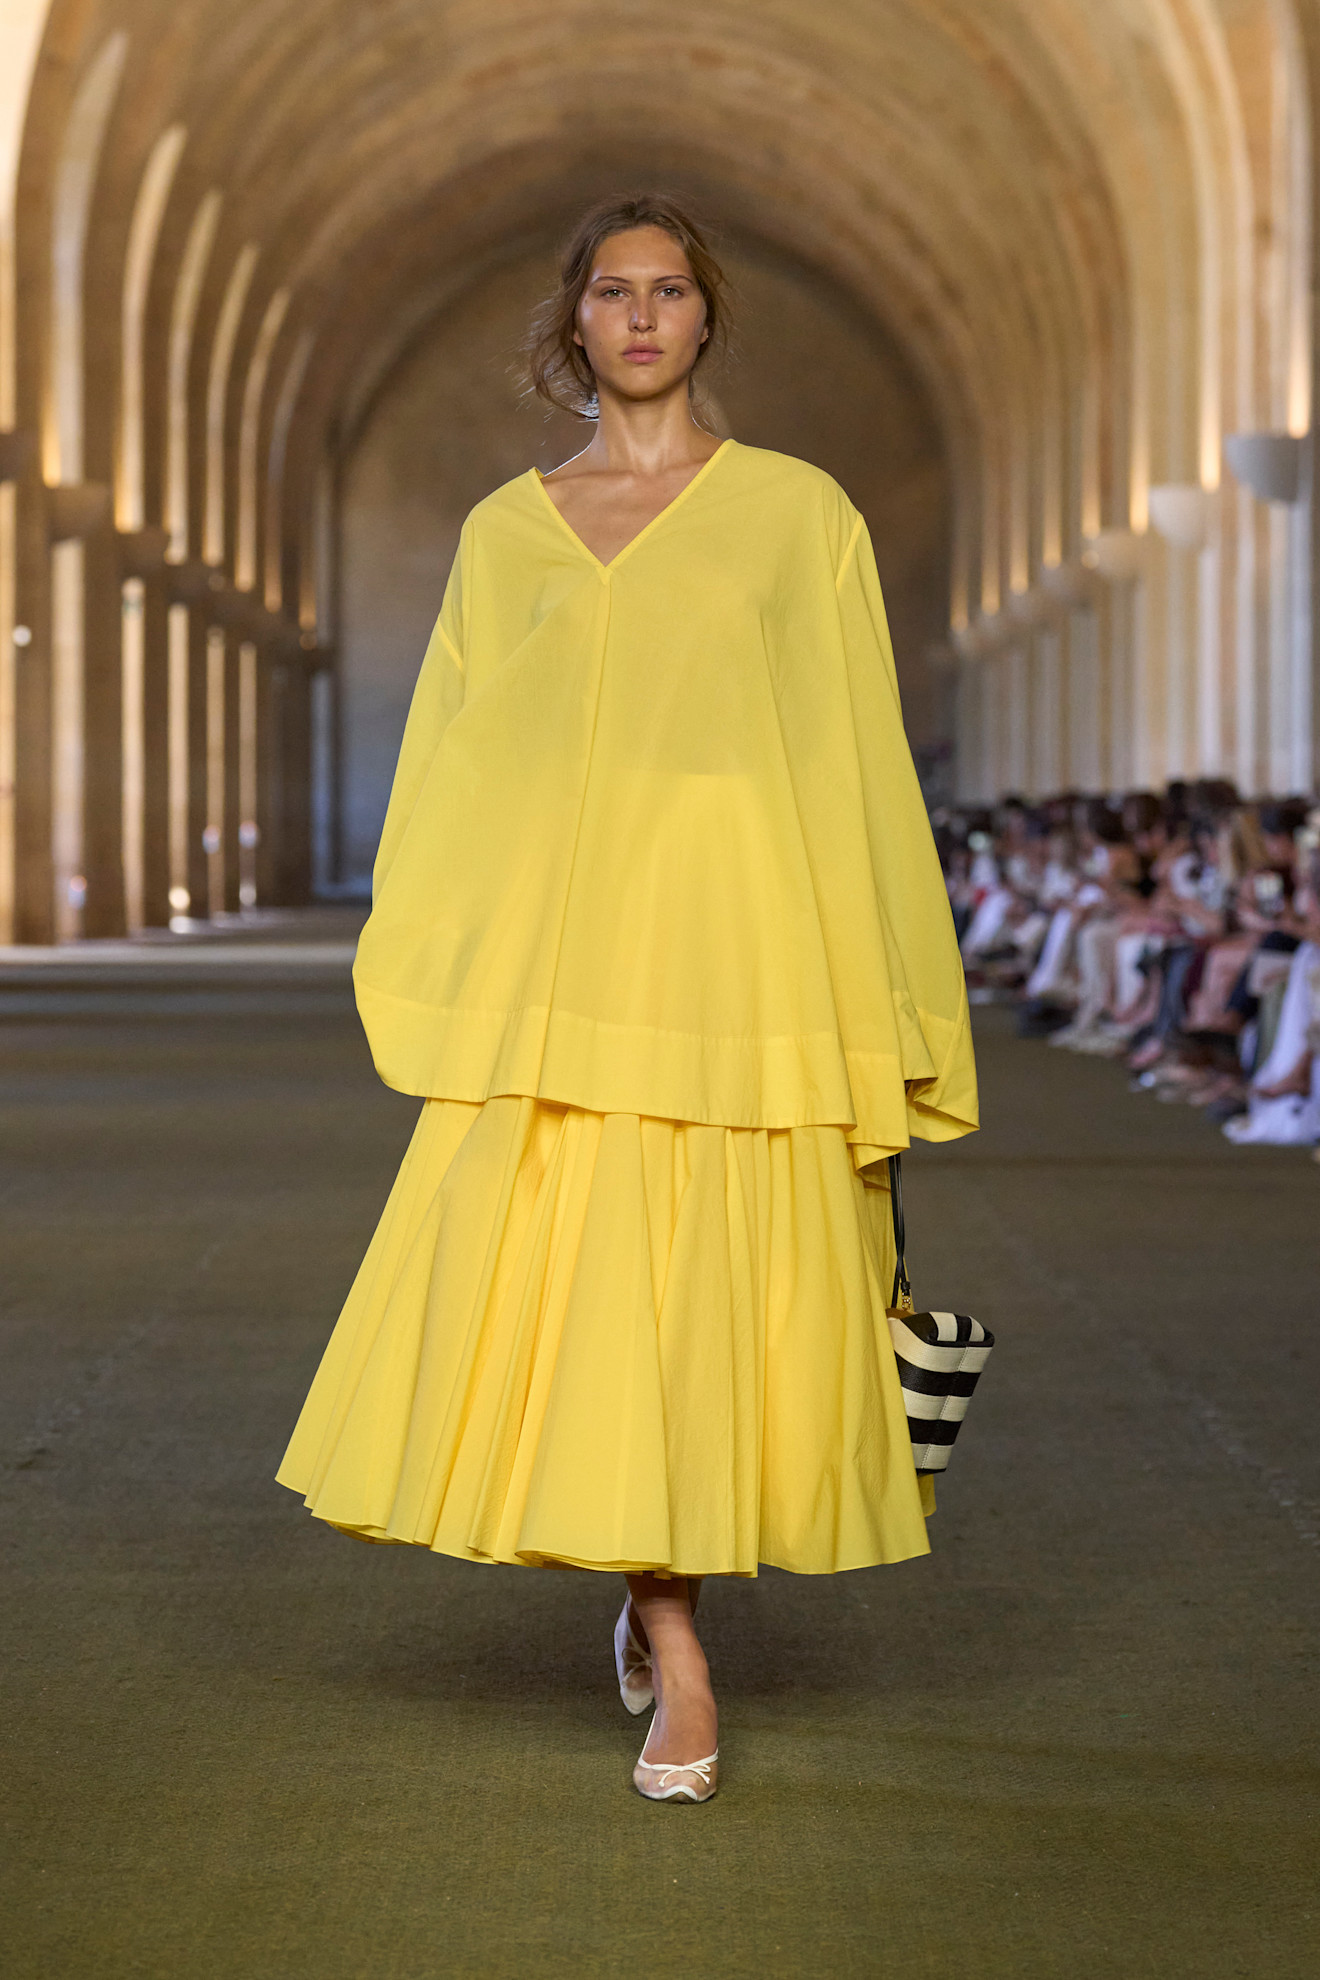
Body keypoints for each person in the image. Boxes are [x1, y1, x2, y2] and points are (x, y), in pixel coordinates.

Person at [276, 193, 978, 1804]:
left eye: (670, 291)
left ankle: (656, 1605)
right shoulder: (504, 533)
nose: (644, 315)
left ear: (706, 319)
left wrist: (886, 1003)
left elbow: (856, 763)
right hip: (572, 983)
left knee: (717, 1307)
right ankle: (680, 1649)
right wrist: (448, 950)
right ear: (574, 324)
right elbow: (456, 764)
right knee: (602, 1308)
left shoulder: (802, 518)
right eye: (614, 291)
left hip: (742, 970)